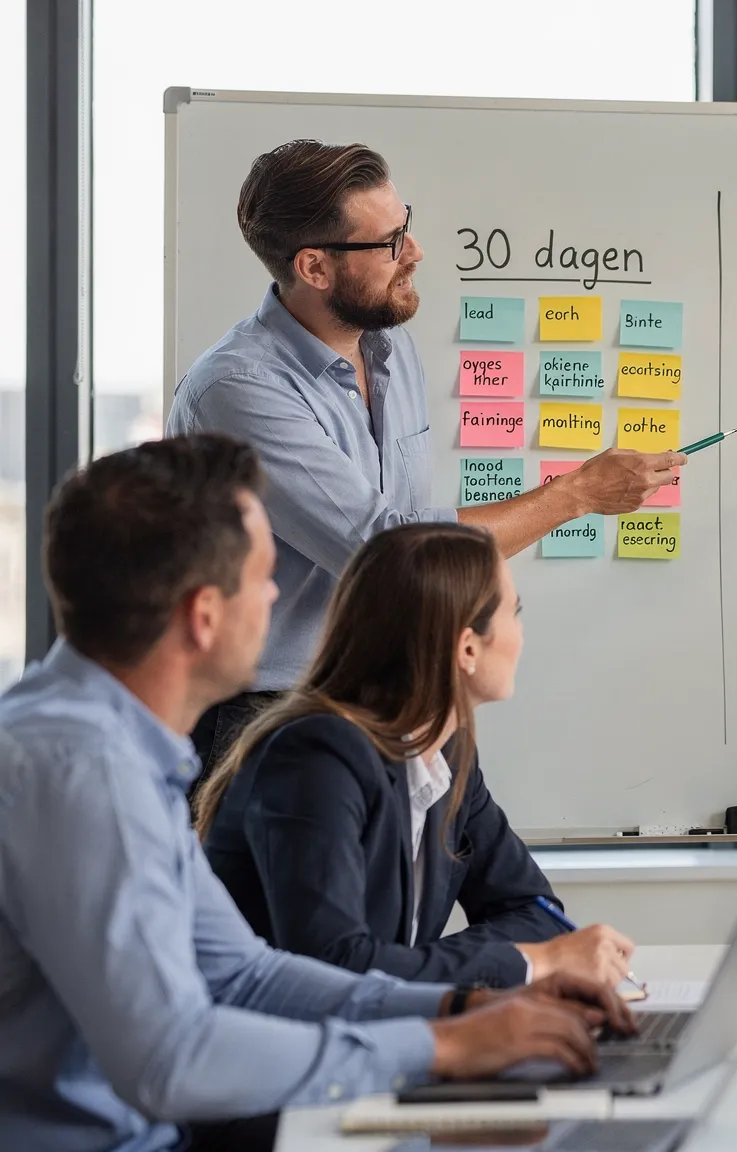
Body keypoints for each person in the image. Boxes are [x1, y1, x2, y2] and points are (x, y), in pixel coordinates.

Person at [0, 435, 636, 1152]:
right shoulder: (84, 772)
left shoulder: (118, 750)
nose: (281, 600)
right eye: (267, 577)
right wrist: (440, 1047)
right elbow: (171, 1058)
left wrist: (462, 1006)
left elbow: (244, 975)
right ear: (204, 615)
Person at [165, 140, 684, 789]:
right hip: (264, 721)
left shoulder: (390, 350)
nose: (414, 251)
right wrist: (575, 495)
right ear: (315, 267)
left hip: (384, 703)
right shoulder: (237, 389)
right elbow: (386, 550)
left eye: (405, 226)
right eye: (389, 243)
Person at [194, 523, 634, 989]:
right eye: (515, 614)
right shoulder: (317, 757)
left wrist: (411, 965)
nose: (522, 636)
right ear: (467, 647)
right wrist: (531, 964)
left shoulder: (447, 752)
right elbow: (333, 967)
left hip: (376, 1039)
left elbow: (534, 911)